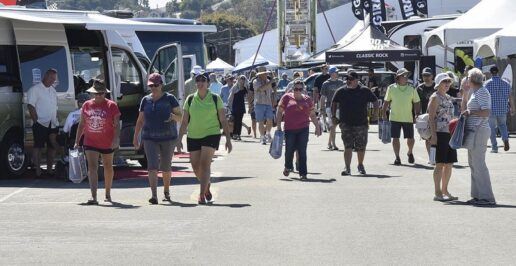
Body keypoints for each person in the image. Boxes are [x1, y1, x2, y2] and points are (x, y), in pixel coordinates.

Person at [178, 72, 232, 205]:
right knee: (195, 166)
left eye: (203, 80)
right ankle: (206, 185)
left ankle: (201, 195)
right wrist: (179, 139)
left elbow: (223, 120)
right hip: (193, 135)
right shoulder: (190, 99)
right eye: (198, 81)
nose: (200, 83)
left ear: (208, 83)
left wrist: (228, 139)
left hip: (211, 133)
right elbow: (184, 121)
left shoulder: (215, 98)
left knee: (204, 164)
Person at [133, 73, 182, 204]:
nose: (153, 87)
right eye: (151, 85)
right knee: (152, 166)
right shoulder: (145, 100)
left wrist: (173, 117)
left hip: (168, 137)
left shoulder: (170, 99)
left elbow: (180, 117)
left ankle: (166, 192)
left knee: (166, 166)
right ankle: (154, 195)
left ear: (161, 85)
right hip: (149, 137)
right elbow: (140, 120)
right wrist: (135, 137)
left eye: (156, 85)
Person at [75, 80, 121, 205]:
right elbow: (81, 124)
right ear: (92, 94)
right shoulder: (86, 105)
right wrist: (77, 141)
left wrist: (116, 139)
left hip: (107, 140)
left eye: (101, 93)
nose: (98, 96)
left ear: (105, 93)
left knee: (108, 166)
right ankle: (93, 196)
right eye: (96, 93)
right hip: (90, 141)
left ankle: (107, 193)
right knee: (92, 167)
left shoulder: (112, 105)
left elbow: (117, 125)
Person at [332, 71, 378, 175]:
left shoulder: (364, 90)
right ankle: (347, 168)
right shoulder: (341, 91)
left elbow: (375, 101)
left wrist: (375, 114)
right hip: (345, 123)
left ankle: (360, 165)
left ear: (357, 80)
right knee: (347, 146)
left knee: (361, 146)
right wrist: (333, 116)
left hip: (361, 123)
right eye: (347, 79)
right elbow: (334, 102)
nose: (348, 81)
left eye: (351, 79)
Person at [462, 68, 496, 205]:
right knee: (473, 163)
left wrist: (470, 112)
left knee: (478, 164)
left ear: (472, 80)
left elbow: (486, 112)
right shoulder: (476, 92)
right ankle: (477, 195)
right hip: (475, 130)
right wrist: (465, 96)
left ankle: (486, 197)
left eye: (468, 78)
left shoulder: (481, 92)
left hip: (479, 131)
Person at [276, 80, 321, 180]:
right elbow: (279, 112)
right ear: (292, 89)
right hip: (289, 128)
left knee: (302, 151)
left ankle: (303, 173)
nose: (298, 91)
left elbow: (312, 115)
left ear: (303, 90)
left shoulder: (307, 100)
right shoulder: (286, 97)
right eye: (296, 89)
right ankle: (288, 166)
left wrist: (317, 127)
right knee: (289, 150)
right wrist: (278, 126)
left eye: (300, 89)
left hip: (303, 128)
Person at [427, 73, 458, 201]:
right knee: (439, 164)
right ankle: (437, 192)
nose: (447, 84)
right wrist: (433, 136)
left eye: (448, 82)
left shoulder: (449, 97)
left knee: (449, 163)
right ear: (438, 83)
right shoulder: (435, 97)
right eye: (444, 82)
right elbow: (431, 117)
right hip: (440, 133)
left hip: (450, 134)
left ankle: (445, 190)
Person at [382, 68, 421, 165]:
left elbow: (416, 102)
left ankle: (410, 152)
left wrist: (417, 114)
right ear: (398, 78)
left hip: (408, 118)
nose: (406, 77)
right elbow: (386, 101)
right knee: (395, 138)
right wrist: (383, 113)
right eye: (403, 75)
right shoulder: (391, 88)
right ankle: (397, 157)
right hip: (394, 118)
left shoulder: (412, 88)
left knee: (411, 139)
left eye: (407, 75)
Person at [26, 68, 60, 177]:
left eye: (54, 79)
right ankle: (38, 171)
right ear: (45, 76)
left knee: (52, 146)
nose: (52, 81)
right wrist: (36, 121)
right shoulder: (35, 89)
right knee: (38, 146)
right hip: (40, 122)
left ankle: (50, 170)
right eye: (51, 78)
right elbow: (30, 105)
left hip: (52, 122)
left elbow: (54, 106)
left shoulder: (53, 90)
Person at [485, 66, 515, 153]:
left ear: (491, 73)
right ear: (498, 72)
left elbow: (485, 97)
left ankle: (494, 147)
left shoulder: (487, 84)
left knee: (491, 129)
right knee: (503, 125)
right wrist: (513, 108)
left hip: (491, 110)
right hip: (502, 109)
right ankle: (505, 139)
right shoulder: (506, 83)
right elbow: (511, 97)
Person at [320, 66, 344, 151]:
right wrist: (321, 108)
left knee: (334, 125)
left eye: (337, 72)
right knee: (333, 126)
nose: (337, 73)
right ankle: (333, 144)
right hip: (329, 107)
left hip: (339, 107)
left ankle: (329, 142)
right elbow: (323, 97)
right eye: (336, 72)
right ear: (331, 73)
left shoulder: (341, 83)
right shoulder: (326, 84)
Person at [253, 66, 275, 145]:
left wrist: (273, 101)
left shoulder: (268, 81)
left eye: (266, 73)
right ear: (260, 75)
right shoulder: (255, 81)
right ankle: (262, 137)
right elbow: (261, 89)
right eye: (264, 73)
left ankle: (268, 133)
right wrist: (270, 82)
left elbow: (271, 92)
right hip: (259, 104)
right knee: (261, 122)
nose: (266, 75)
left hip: (268, 103)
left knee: (270, 120)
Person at [417, 67, 436, 157]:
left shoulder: (437, 86)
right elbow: (416, 102)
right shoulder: (419, 88)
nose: (426, 77)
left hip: (436, 116)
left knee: (435, 137)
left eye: (428, 75)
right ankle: (431, 157)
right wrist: (416, 115)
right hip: (422, 117)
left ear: (432, 76)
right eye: (424, 75)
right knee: (425, 137)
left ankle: (436, 157)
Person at [228, 75, 249, 140]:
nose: (242, 80)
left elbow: (248, 94)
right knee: (235, 121)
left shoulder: (245, 88)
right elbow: (230, 97)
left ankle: (238, 134)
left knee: (239, 121)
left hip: (241, 106)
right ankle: (234, 134)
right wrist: (230, 106)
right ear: (238, 79)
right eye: (241, 78)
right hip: (235, 106)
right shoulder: (235, 87)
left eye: (243, 79)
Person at [248, 70, 258, 138]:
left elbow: (250, 95)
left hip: (256, 103)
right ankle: (255, 134)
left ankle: (255, 134)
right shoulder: (251, 82)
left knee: (255, 120)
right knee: (254, 120)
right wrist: (250, 105)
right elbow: (250, 95)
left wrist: (249, 105)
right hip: (254, 103)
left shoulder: (252, 82)